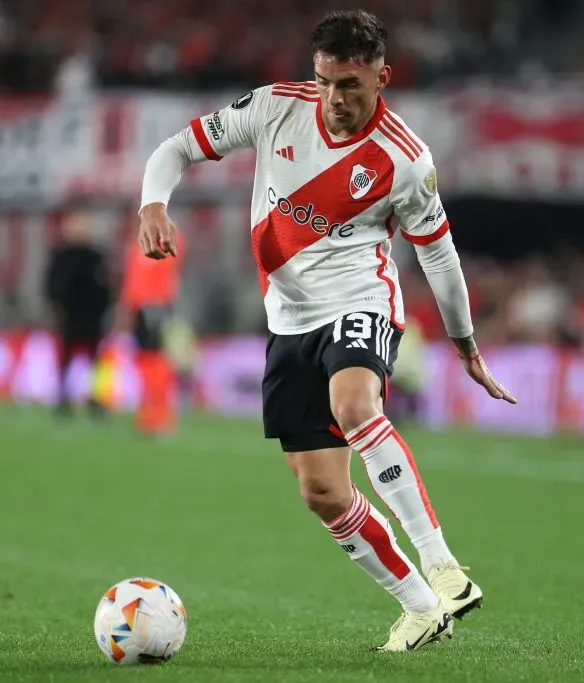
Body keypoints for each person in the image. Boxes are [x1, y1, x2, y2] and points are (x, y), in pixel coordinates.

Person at [137, 9, 517, 652]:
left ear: (382, 78)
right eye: (325, 82)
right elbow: (175, 148)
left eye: (351, 85)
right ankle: (421, 607)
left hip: (360, 301)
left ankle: (443, 565)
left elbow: (439, 255)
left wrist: (465, 343)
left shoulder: (405, 159)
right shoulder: (272, 109)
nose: (336, 99)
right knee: (321, 491)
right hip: (287, 322)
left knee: (353, 402)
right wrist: (153, 204)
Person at [44, 208, 111, 418]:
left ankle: (96, 399)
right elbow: (51, 284)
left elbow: (106, 286)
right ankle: (63, 399)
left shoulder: (96, 256)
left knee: (97, 360)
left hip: (93, 317)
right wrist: (55, 306)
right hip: (69, 316)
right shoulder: (60, 255)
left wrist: (105, 309)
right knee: (65, 359)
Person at [118, 228, 185, 436]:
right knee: (145, 362)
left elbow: (171, 267)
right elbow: (131, 280)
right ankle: (149, 413)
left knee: (158, 362)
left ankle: (161, 416)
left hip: (156, 307)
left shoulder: (168, 238)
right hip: (140, 309)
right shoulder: (137, 243)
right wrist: (125, 308)